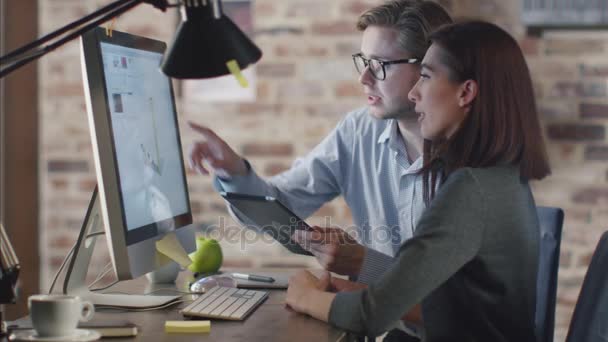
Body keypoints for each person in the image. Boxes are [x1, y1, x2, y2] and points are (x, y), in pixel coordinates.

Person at [284, 20, 551, 341]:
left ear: (466, 92)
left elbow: (369, 316)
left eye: (425, 76)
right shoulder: (502, 177)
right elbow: (456, 306)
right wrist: (349, 292)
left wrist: (304, 295)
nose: (413, 93)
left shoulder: (470, 189)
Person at [188, 0, 452, 283]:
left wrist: (366, 264)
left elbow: (460, 297)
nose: (364, 78)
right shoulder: (359, 131)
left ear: (429, 67)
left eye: (381, 64)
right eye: (364, 61)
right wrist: (235, 172)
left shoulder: (479, 151)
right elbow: (283, 207)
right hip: (385, 321)